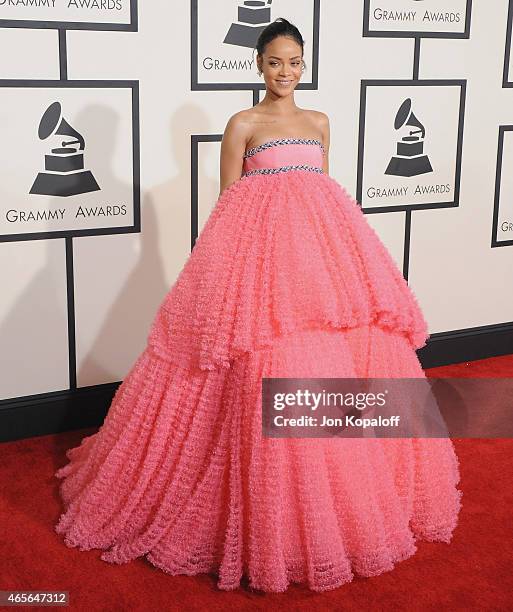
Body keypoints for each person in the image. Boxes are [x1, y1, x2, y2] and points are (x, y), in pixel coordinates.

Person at [54, 17, 462, 593]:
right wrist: (221, 279)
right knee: (259, 367)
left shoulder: (320, 123)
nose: (285, 73)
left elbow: (321, 198)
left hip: (316, 266)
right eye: (275, 62)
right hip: (258, 266)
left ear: (304, 63)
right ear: (258, 64)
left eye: (294, 62)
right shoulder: (242, 123)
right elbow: (228, 202)